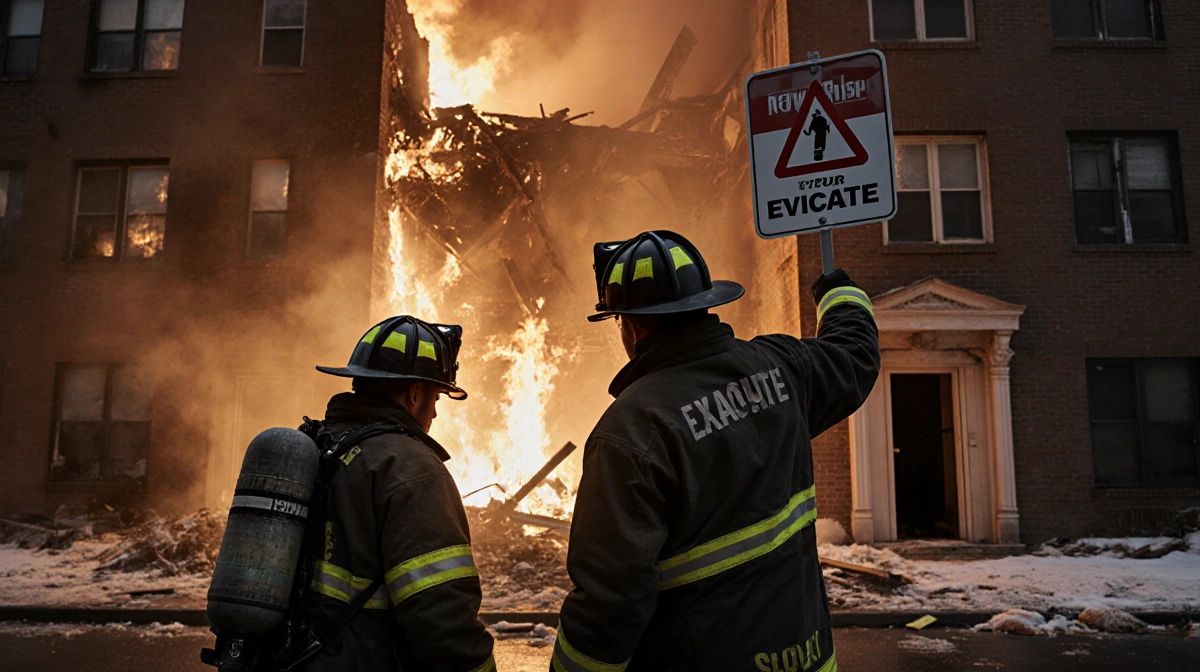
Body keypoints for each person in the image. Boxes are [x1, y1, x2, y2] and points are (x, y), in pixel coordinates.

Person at [551, 231, 879, 671]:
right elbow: (855, 354)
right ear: (704, 302)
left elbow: (610, 605)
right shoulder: (780, 366)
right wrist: (838, 293)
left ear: (628, 325)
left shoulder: (631, 431)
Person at [307, 315, 495, 671]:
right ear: (414, 394)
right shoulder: (411, 469)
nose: (435, 412)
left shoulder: (316, 447)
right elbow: (442, 618)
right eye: (436, 396)